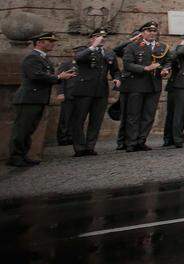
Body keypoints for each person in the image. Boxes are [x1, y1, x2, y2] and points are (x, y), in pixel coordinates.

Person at [8, 32, 75, 167]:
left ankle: (23, 155)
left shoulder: (43, 58)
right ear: (39, 42)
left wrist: (59, 77)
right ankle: (15, 157)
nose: (52, 44)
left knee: (29, 129)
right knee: (22, 129)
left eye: (52, 42)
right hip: (28, 99)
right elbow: (36, 76)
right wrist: (58, 78)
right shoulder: (33, 57)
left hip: (37, 98)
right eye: (48, 41)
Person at [117, 21, 167, 152]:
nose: (152, 33)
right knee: (133, 115)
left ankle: (141, 140)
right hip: (136, 85)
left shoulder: (161, 47)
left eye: (154, 31)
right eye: (148, 31)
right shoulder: (133, 46)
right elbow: (128, 64)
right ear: (142, 33)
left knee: (148, 115)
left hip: (154, 85)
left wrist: (166, 69)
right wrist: (145, 68)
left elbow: (168, 60)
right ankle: (131, 142)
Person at [68, 29, 117, 157]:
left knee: (96, 120)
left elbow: (115, 70)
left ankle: (90, 146)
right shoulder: (83, 50)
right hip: (84, 90)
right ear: (91, 38)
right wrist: (93, 46)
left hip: (100, 91)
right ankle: (79, 147)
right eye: (98, 36)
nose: (102, 38)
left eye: (103, 36)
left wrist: (117, 78)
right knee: (78, 119)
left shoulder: (108, 53)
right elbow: (78, 58)